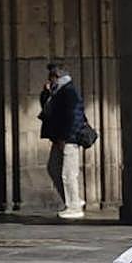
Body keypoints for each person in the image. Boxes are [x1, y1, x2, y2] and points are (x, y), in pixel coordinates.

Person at [38, 61, 86, 219]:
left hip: (68, 139)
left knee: (69, 173)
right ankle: (73, 200)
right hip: (59, 138)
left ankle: (74, 207)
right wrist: (46, 94)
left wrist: (66, 137)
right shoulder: (57, 91)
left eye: (51, 76)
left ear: (57, 76)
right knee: (53, 167)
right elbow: (47, 110)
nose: (49, 79)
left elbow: (75, 116)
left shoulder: (68, 91)